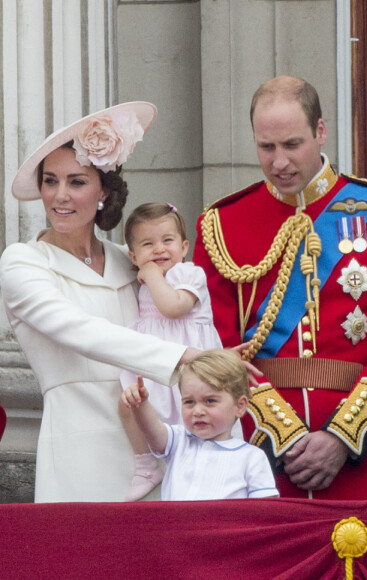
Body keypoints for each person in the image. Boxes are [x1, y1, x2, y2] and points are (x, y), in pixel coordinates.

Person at [193, 75, 367, 500]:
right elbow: (217, 350)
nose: (279, 162)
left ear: (321, 132)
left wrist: (342, 438)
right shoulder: (222, 225)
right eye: (267, 148)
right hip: (257, 456)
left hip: (359, 454)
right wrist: (282, 437)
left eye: (292, 144)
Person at [0, 103, 209, 502]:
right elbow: (84, 332)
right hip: (80, 455)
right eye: (50, 181)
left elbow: (182, 315)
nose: (60, 195)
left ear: (104, 191)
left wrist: (214, 357)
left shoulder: (128, 260)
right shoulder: (23, 262)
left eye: (76, 181)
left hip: (155, 449)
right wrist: (182, 356)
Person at [119, 202, 223, 501]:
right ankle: (145, 465)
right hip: (154, 363)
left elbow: (173, 308)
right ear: (132, 255)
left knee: (193, 416)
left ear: (184, 246)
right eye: (147, 244)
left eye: (168, 240)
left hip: (188, 366)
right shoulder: (144, 283)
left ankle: (202, 473)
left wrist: (150, 275)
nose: (159, 250)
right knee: (128, 406)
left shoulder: (189, 275)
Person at [121, 349, 279, 500]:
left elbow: (265, 510)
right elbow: (151, 429)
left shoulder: (252, 457)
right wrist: (140, 404)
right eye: (189, 402)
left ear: (240, 406)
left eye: (210, 401)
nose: (197, 411)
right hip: (178, 528)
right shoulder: (179, 441)